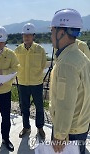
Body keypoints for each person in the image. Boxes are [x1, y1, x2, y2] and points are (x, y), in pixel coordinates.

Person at [49, 8, 90, 154]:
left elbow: (64, 103)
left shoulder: (67, 63)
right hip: (81, 125)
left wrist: (59, 135)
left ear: (61, 32)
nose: (51, 36)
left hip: (69, 131)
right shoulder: (80, 56)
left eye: (52, 31)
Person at [14, 23, 47, 139]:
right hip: (22, 83)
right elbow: (15, 65)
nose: (26, 37)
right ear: (22, 36)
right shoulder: (18, 50)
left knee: (39, 106)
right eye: (24, 35)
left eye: (29, 35)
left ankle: (40, 128)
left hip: (36, 83)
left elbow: (43, 64)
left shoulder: (40, 49)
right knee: (24, 107)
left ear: (33, 36)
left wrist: (36, 75)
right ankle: (26, 127)